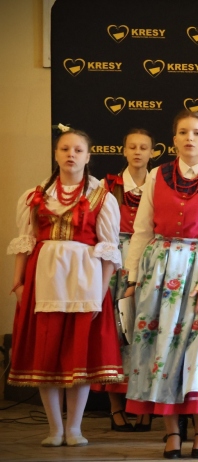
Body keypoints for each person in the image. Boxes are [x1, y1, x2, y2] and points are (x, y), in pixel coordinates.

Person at [123, 110, 198, 459]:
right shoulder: (157, 175)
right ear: (174, 139)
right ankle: (172, 433)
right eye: (183, 132)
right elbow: (142, 230)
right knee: (161, 349)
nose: (189, 138)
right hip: (158, 270)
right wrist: (133, 278)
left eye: (196, 133)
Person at [8, 127, 123, 447]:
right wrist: (18, 282)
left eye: (78, 150)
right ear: (56, 154)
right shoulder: (35, 196)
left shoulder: (101, 197)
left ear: (88, 156)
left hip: (85, 284)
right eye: (64, 149)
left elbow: (109, 251)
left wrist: (100, 292)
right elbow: (26, 242)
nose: (71, 154)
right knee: (46, 354)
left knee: (78, 356)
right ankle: (54, 428)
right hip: (44, 283)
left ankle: (74, 428)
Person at [93, 129, 154, 433]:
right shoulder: (108, 186)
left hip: (148, 262)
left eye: (144, 147)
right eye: (132, 147)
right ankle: (116, 408)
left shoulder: (159, 184)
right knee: (116, 333)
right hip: (115, 266)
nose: (138, 152)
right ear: (124, 151)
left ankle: (144, 407)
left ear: (153, 152)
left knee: (145, 333)